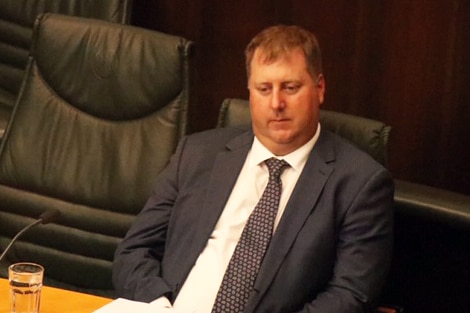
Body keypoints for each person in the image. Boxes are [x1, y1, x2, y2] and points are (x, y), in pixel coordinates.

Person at [112, 25, 394, 313]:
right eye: (264, 89)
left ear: (319, 88)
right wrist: (158, 307)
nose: (276, 103)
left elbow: (351, 295)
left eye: (290, 87)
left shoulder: (360, 184)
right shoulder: (196, 154)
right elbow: (134, 251)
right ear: (249, 93)